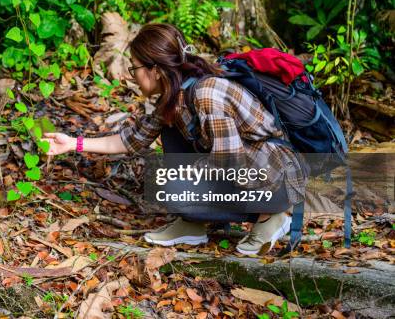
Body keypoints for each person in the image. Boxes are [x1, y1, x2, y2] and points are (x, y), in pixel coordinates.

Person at [41, 23, 307, 255]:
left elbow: (230, 163)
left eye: (134, 68)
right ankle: (192, 223)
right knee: (170, 142)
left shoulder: (207, 94)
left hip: (278, 178)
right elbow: (131, 140)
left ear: (155, 70)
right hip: (247, 170)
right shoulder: (175, 97)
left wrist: (183, 180)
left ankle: (271, 216)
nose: (130, 76)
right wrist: (73, 143)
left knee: (172, 186)